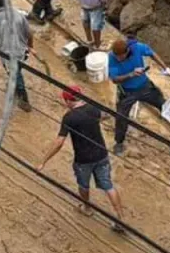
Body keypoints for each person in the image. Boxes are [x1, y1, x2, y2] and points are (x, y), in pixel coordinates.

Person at [39, 86, 125, 232]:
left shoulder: (69, 118)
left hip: (83, 160)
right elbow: (105, 115)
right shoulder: (93, 108)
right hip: (102, 155)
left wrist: (43, 161)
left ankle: (87, 208)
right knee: (108, 185)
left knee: (83, 185)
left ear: (67, 100)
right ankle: (120, 218)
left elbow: (59, 142)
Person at [107, 36, 170, 155]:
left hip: (145, 87)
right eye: (116, 56)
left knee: (164, 105)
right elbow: (115, 79)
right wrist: (131, 74)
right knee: (121, 118)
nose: (118, 59)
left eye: (120, 56)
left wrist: (166, 68)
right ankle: (119, 142)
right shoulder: (112, 57)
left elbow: (151, 53)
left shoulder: (137, 48)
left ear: (127, 51)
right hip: (127, 92)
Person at [0, 0, 33, 112]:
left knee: (15, 74)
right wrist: (31, 47)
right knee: (16, 71)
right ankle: (16, 84)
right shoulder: (18, 14)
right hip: (23, 52)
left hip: (8, 54)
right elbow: (29, 33)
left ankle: (24, 99)